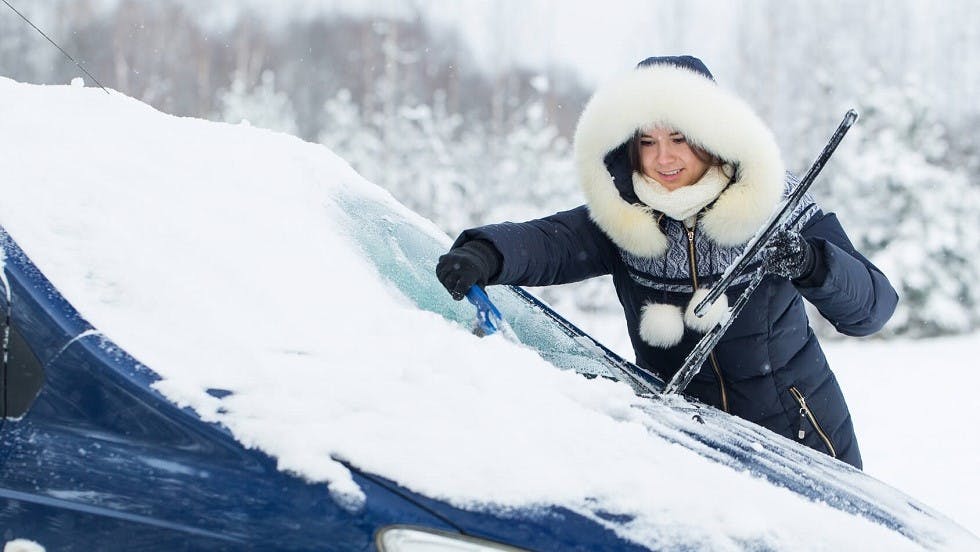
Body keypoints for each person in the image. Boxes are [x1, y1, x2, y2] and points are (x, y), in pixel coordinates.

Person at [435, 55, 897, 469]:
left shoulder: (775, 201)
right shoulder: (624, 214)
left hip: (803, 444)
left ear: (712, 136)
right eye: (648, 141)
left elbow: (872, 309)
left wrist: (812, 262)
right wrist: (486, 252)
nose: (664, 157)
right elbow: (549, 243)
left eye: (679, 137)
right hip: (690, 453)